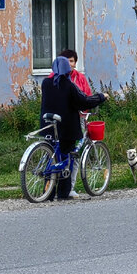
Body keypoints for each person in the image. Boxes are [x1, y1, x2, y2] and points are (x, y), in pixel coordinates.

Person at [40, 55, 105, 199]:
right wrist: (101, 97)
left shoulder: (46, 83)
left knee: (51, 156)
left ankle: (48, 193)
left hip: (48, 125)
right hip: (66, 127)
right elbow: (83, 101)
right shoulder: (69, 85)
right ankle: (63, 193)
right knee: (66, 158)